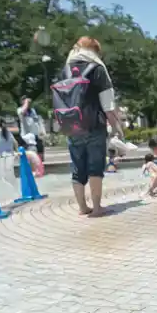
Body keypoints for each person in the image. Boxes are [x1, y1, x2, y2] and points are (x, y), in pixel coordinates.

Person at [55, 36, 125, 218]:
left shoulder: (66, 70)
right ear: (95, 51)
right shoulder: (97, 69)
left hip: (72, 126)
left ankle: (82, 207)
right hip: (94, 125)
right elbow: (108, 105)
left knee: (77, 168)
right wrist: (117, 127)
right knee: (95, 166)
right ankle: (96, 207)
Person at [17, 97, 46, 162]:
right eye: (26, 101)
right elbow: (23, 112)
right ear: (22, 102)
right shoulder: (20, 109)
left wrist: (41, 131)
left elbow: (37, 121)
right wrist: (26, 102)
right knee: (28, 154)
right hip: (26, 136)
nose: (29, 103)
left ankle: (40, 166)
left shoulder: (32, 110)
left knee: (40, 152)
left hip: (36, 135)